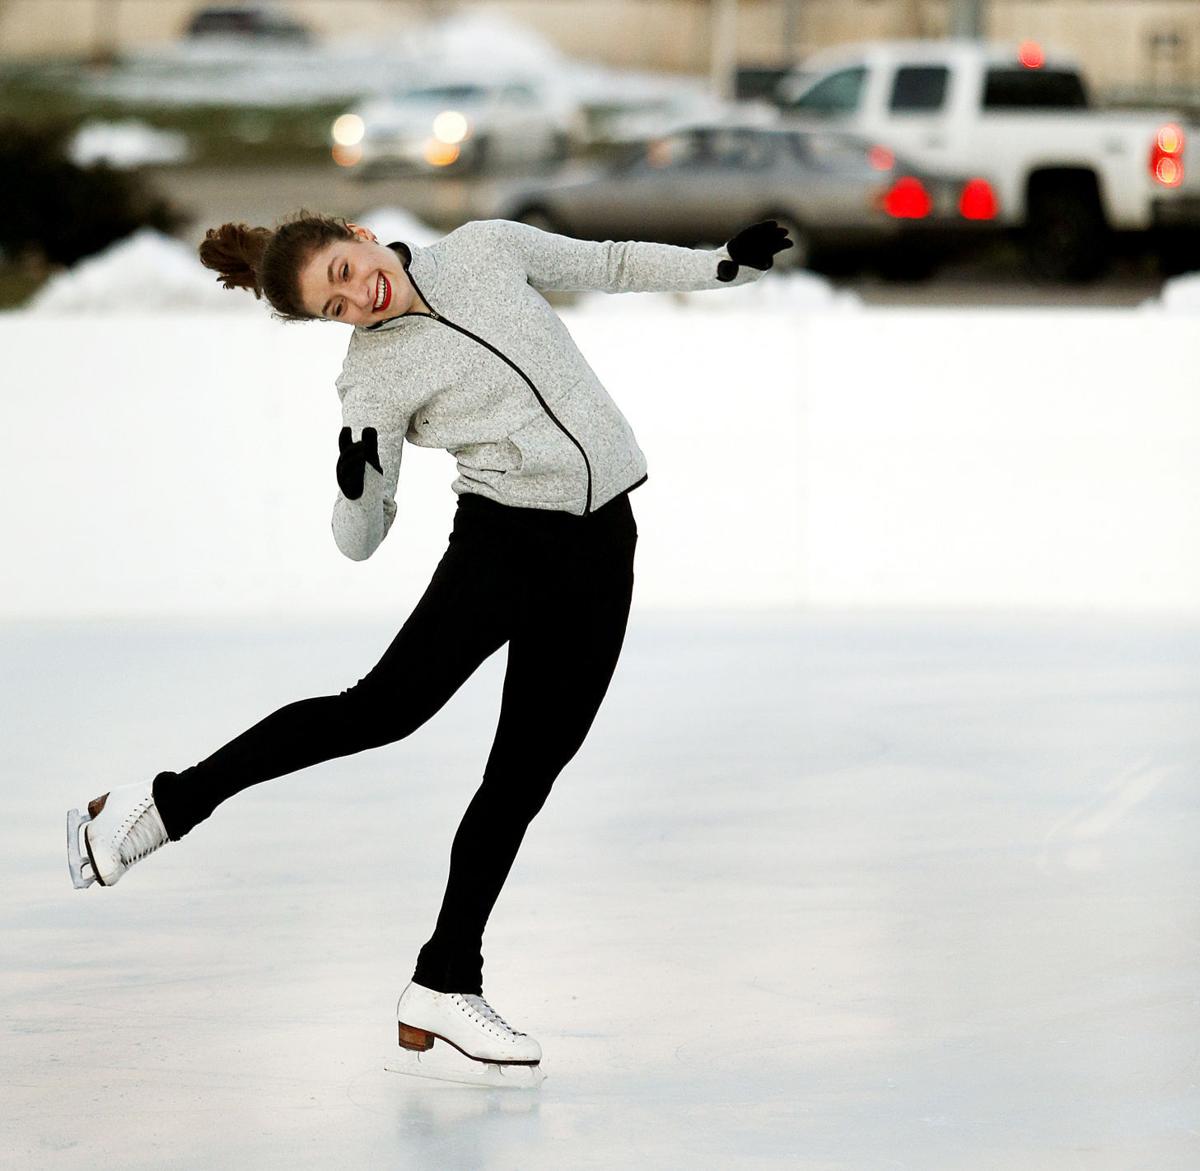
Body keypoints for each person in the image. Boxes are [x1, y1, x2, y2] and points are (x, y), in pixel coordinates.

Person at [65, 211, 792, 1082]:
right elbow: (359, 539)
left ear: (359, 233)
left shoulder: (484, 249)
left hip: (603, 544)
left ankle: (444, 980)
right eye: (334, 308)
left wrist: (723, 266)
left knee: (524, 774)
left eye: (344, 271)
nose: (355, 299)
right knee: (379, 711)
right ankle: (161, 807)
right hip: (503, 545)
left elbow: (607, 261)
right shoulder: (371, 379)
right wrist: (356, 490)